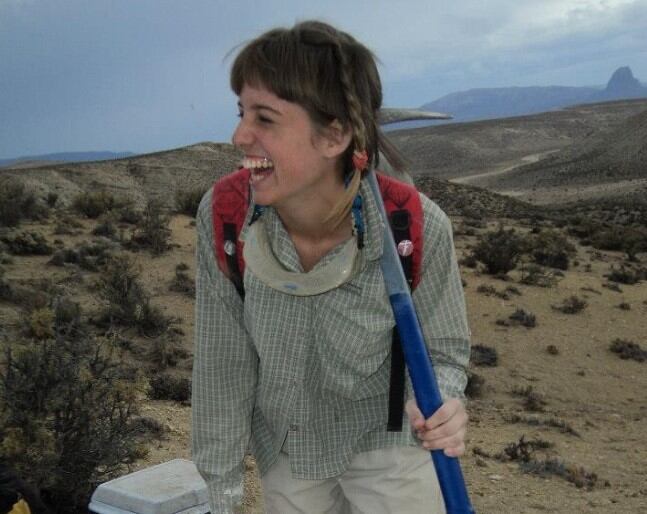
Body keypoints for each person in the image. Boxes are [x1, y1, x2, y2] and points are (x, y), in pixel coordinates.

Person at [192, 20, 470, 514]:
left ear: (334, 135)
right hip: (287, 450)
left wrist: (444, 405)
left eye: (265, 118)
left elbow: (444, 351)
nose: (239, 135)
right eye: (241, 112)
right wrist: (221, 491)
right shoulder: (224, 217)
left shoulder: (416, 226)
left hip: (390, 446)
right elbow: (223, 362)